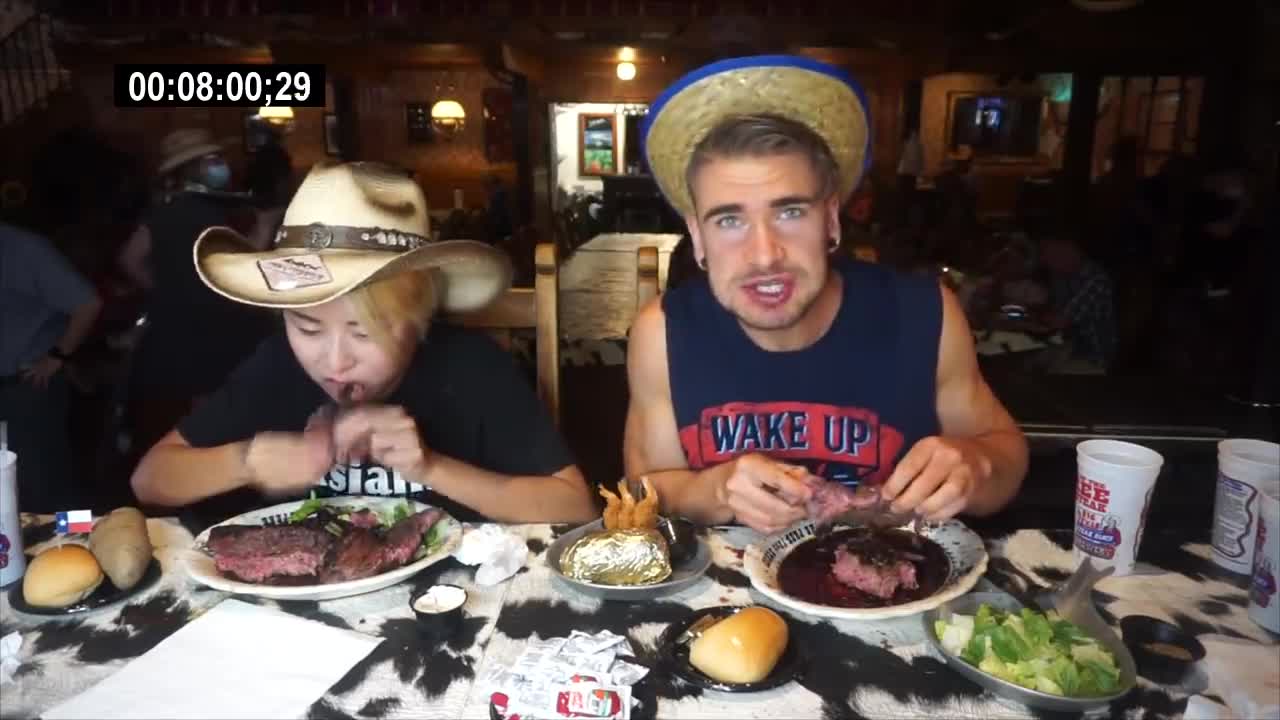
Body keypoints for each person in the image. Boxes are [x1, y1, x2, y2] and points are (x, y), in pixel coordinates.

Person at [626, 56, 1028, 534]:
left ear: (831, 219)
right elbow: (641, 491)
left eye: (790, 211)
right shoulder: (663, 331)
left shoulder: (926, 314)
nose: (764, 255)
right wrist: (714, 489)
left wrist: (975, 464)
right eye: (729, 220)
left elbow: (1007, 456)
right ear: (697, 236)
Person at [130, 161, 596, 526]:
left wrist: (431, 468)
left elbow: (574, 505)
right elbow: (150, 479)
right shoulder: (276, 365)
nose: (334, 362)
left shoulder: (471, 368)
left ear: (419, 319)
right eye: (308, 328)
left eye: (365, 331)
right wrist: (247, 461)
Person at [119, 129, 277, 461]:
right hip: (221, 335)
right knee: (221, 420)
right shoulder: (215, 214)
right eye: (212, 160)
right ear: (192, 168)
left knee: (184, 420)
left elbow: (129, 258)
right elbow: (247, 270)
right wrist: (264, 228)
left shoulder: (163, 211)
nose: (221, 165)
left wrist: (166, 289)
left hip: (175, 337)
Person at [0, 222, 103, 512]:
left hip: (26, 387)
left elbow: (89, 303)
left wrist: (59, 355)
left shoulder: (23, 248)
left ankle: (73, 545)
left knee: (46, 485)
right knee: (8, 491)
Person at [1036, 232, 1117, 374]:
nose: (1045, 260)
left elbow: (1059, 321)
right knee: (1027, 363)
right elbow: (1053, 312)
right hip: (1070, 347)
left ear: (1072, 250)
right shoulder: (1062, 276)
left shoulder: (1096, 281)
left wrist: (1029, 318)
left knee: (1046, 377)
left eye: (1051, 254)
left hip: (1094, 357)